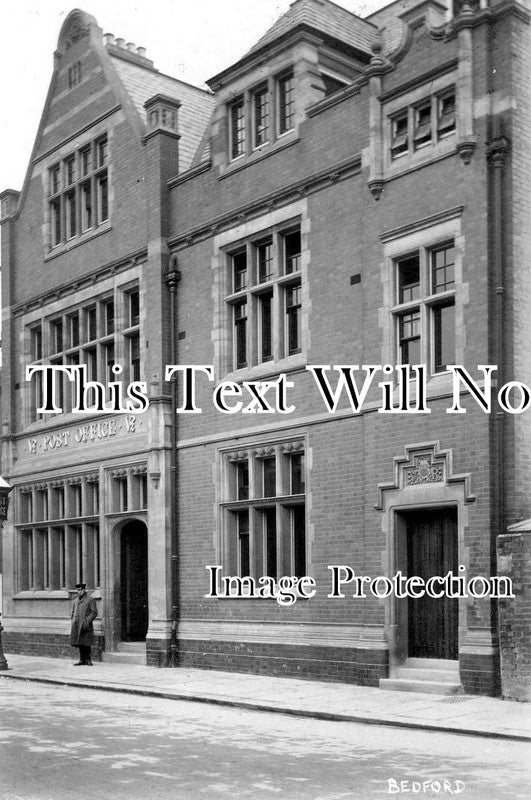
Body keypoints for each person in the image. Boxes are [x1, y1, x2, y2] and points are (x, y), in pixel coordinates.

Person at [70, 583, 98, 666]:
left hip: (85, 625)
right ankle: (82, 660)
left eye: (81, 590)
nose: (79, 591)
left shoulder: (90, 599)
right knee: (79, 643)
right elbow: (72, 612)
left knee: (86, 643)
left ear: (84, 590)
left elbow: (94, 612)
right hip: (77, 624)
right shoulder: (75, 600)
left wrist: (87, 621)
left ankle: (88, 660)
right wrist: (73, 620)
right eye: (78, 590)